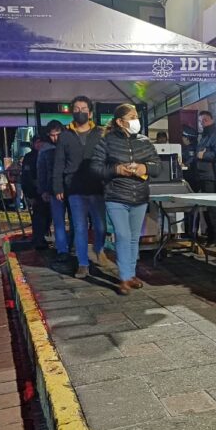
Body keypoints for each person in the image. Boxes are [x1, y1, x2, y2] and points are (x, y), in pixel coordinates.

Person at [91, 103, 161, 295]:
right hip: (116, 196)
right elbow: (95, 168)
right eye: (132, 117)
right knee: (122, 235)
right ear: (120, 122)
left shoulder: (145, 141)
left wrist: (145, 168)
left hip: (139, 196)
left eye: (136, 116)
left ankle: (130, 274)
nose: (136, 120)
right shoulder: (107, 141)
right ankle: (124, 277)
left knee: (133, 237)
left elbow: (158, 166)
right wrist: (116, 169)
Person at [53, 96, 106, 278]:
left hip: (97, 186)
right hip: (74, 188)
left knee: (100, 226)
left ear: (90, 113)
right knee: (80, 227)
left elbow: (107, 158)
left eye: (84, 109)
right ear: (72, 112)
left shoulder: (100, 133)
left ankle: (99, 248)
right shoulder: (65, 135)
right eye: (76, 109)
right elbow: (59, 163)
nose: (80, 112)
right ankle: (83, 263)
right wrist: (58, 187)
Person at [38, 120, 72, 260]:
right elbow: (42, 172)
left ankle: (70, 245)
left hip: (70, 189)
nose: (55, 138)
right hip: (53, 190)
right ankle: (62, 249)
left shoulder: (69, 146)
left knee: (74, 220)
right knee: (58, 221)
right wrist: (43, 190)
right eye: (52, 135)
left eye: (58, 134)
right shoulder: (46, 150)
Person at [196, 111, 216, 246]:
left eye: (205, 120)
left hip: (212, 178)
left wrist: (204, 155)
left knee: (214, 210)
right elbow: (197, 154)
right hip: (203, 177)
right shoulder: (204, 137)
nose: (203, 123)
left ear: (212, 120)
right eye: (201, 121)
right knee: (208, 210)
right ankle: (212, 236)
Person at [21, 137, 50, 250]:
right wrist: (30, 194)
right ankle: (38, 239)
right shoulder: (30, 157)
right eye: (37, 142)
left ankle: (42, 236)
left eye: (41, 142)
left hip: (47, 189)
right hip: (36, 191)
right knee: (39, 216)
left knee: (47, 216)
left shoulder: (47, 154)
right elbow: (26, 177)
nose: (40, 144)